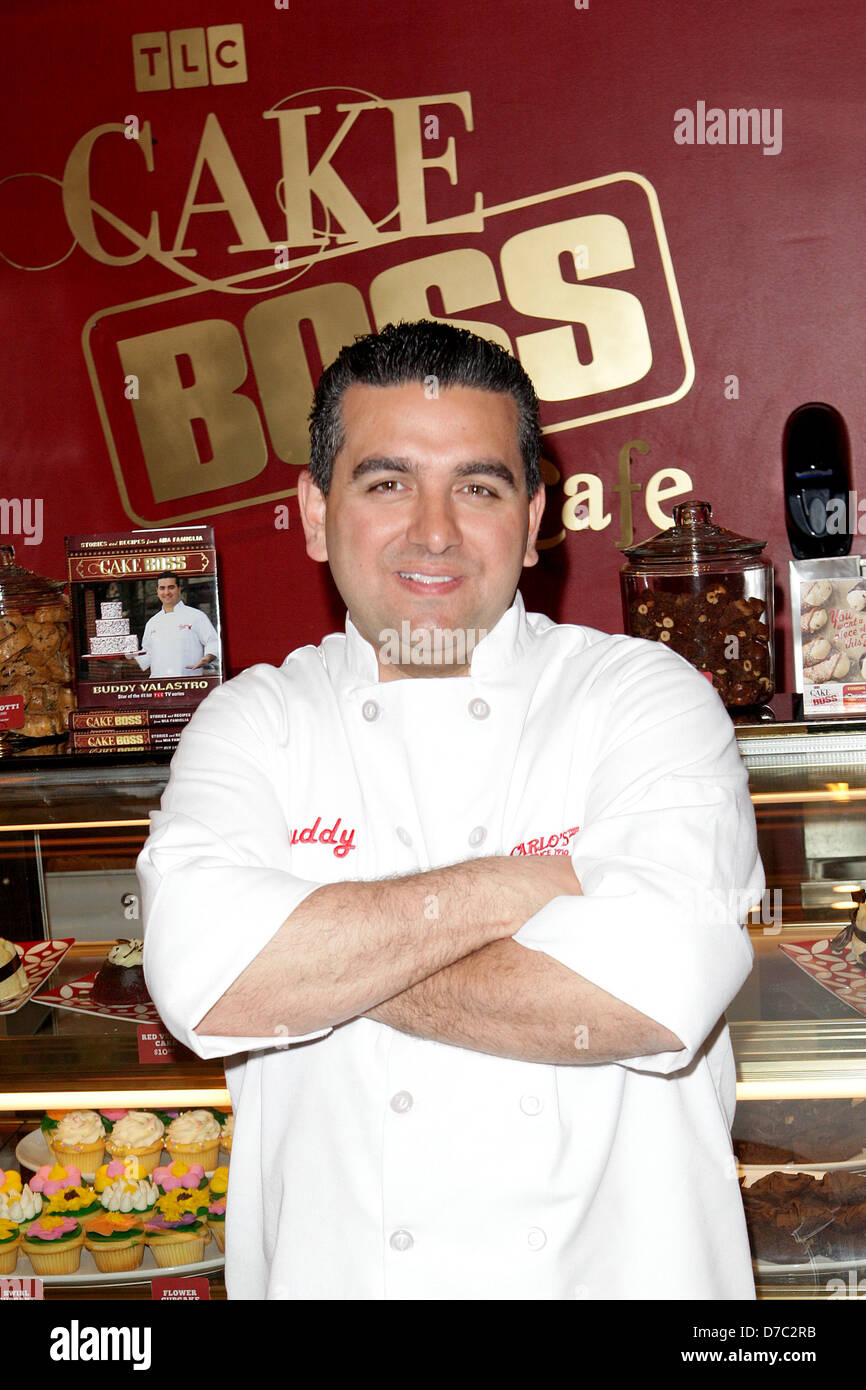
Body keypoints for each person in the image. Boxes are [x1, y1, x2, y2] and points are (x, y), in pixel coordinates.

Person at [138, 320, 764, 1301]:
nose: (432, 530)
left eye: (476, 487)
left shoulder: (644, 698)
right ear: (312, 512)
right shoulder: (252, 720)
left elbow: (644, 999)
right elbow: (202, 986)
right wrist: (523, 886)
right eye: (386, 483)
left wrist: (306, 958)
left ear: (531, 517)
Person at [133, 572, 219, 679]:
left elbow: (213, 642)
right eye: (162, 588)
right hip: (158, 684)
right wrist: (125, 658)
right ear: (157, 591)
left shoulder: (196, 616)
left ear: (179, 589)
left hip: (188, 682)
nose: (166, 592)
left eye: (171, 587)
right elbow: (148, 654)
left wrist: (207, 658)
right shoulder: (152, 622)